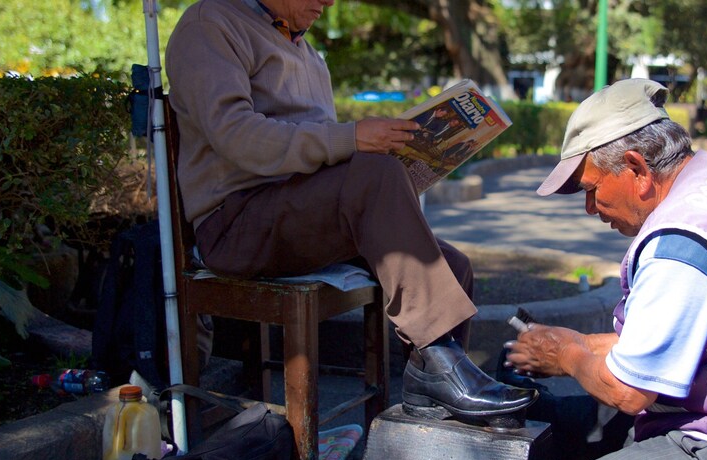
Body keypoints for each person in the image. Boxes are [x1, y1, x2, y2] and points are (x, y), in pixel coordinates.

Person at [183, 78, 707, 460]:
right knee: (557, 418)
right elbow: (677, 343)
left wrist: (569, 352)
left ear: (639, 170)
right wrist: (576, 357)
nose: (590, 209)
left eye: (591, 189)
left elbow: (631, 391)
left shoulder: (686, 237)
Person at [164, 0, 536, 425]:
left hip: (301, 217)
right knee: (373, 172)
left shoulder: (307, 53)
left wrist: (403, 156)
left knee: (452, 266)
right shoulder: (211, 23)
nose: (329, 3)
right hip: (236, 223)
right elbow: (238, 138)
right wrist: (354, 139)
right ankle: (444, 370)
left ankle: (429, 394)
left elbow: (326, 160)